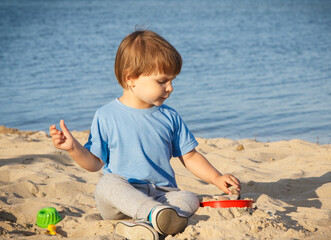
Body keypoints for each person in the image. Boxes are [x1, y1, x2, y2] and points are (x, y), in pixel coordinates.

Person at [49, 30, 240, 240]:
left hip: (162, 195)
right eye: (162, 81)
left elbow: (190, 156)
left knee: (189, 197)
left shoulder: (170, 116)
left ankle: (147, 224)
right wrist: (74, 148)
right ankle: (154, 216)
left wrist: (216, 177)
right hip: (122, 198)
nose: (170, 88)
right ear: (131, 78)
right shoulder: (106, 115)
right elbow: (95, 163)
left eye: (172, 81)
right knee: (107, 183)